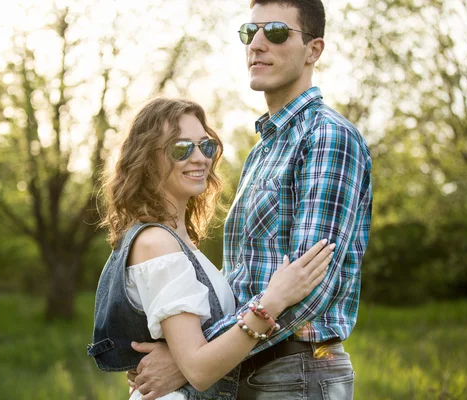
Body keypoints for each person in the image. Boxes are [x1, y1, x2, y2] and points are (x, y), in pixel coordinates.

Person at [127, 0, 373, 399]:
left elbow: (309, 288)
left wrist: (193, 356)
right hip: (247, 369)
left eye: (275, 32)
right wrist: (200, 355)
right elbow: (250, 284)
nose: (257, 44)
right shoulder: (264, 148)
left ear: (314, 50)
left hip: (297, 372)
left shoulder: (327, 137)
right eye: (249, 32)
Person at [88, 97, 335, 399]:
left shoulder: (175, 239)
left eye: (205, 147)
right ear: (147, 159)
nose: (199, 158)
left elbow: (190, 349)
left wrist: (177, 356)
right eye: (181, 149)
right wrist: (273, 300)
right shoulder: (157, 243)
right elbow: (199, 370)